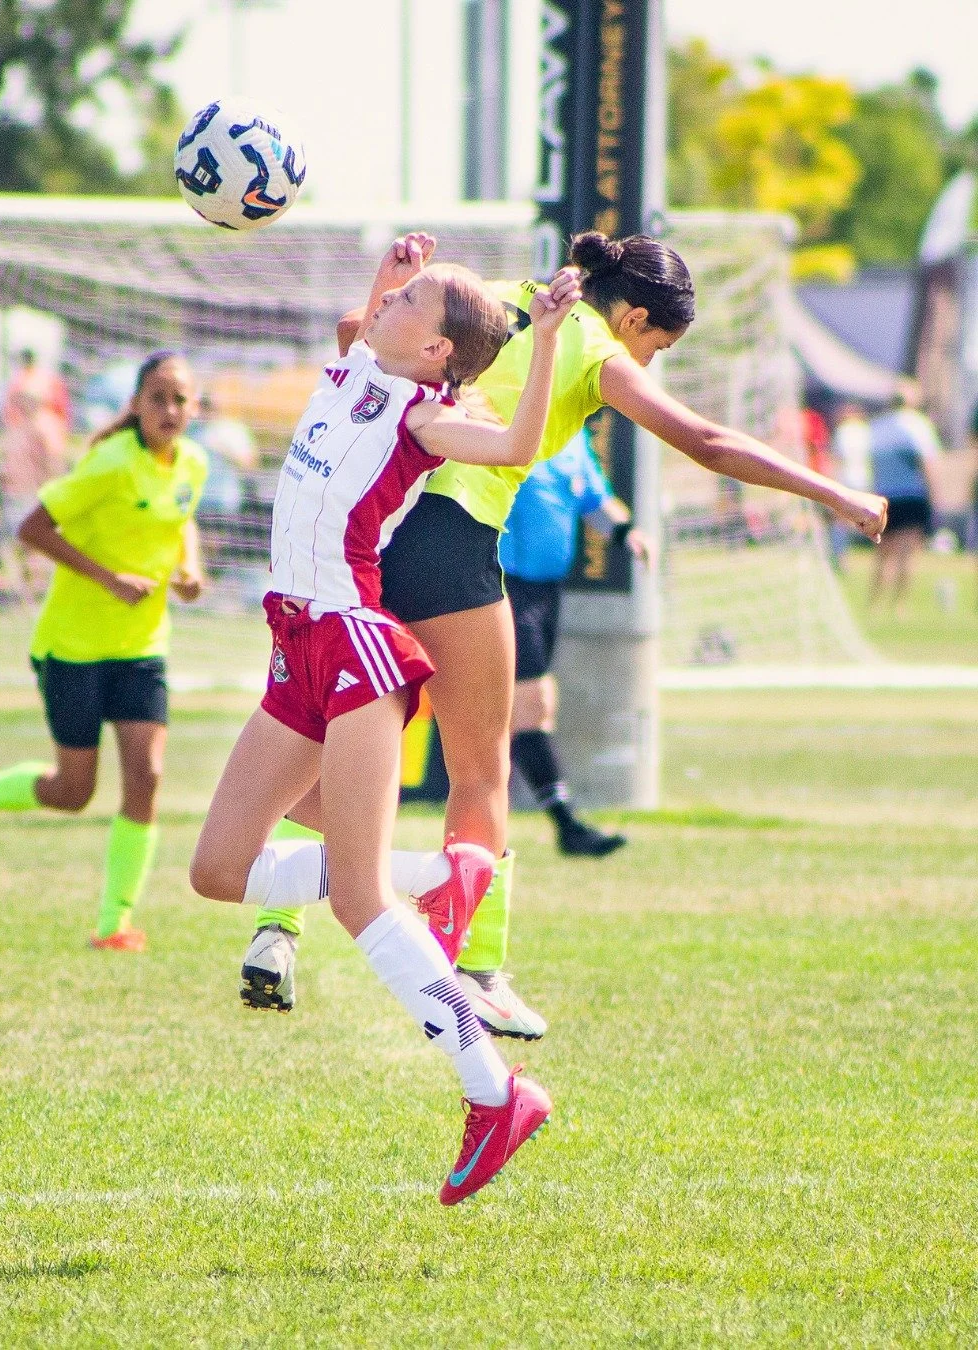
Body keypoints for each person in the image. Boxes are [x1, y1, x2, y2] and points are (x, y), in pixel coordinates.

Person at [243, 229, 888, 1042]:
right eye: (657, 348)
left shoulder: (501, 291)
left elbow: (355, 333)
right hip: (446, 541)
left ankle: (276, 929)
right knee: (482, 770)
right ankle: (477, 972)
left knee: (325, 740)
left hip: (363, 537)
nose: (647, 366)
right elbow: (708, 443)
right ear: (638, 318)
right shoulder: (588, 344)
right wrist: (833, 493)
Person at [189, 246, 583, 1205]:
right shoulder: (357, 371)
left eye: (408, 299)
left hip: (357, 646)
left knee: (361, 898)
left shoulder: (427, 420)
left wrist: (550, 336)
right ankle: (443, 876)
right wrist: (385, 274)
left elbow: (523, 445)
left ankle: (496, 1092)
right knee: (217, 870)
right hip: (297, 647)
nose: (387, 301)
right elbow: (367, 332)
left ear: (439, 347)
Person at [0, 352, 208, 952]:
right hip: (74, 649)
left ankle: (115, 925)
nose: (169, 409)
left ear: (194, 408)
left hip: (142, 648)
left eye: (180, 399)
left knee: (149, 775)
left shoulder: (194, 462)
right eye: (158, 397)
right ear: (136, 404)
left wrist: (189, 569)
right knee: (73, 791)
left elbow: (182, 518)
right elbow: (32, 529)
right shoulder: (109, 465)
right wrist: (109, 578)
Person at [502, 427, 650, 859]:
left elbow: (595, 502)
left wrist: (628, 534)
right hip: (504, 585)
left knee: (521, 713)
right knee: (533, 704)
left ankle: (542, 824)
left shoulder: (570, 437)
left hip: (548, 593)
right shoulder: (502, 425)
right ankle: (565, 823)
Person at [868, 383, 941, 611]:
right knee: (907, 553)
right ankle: (900, 605)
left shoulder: (877, 426)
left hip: (884, 495)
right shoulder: (917, 425)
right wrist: (934, 496)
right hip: (912, 494)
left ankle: (875, 603)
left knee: (883, 552)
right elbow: (927, 463)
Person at [829, 401, 873, 568]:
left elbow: (837, 459)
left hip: (846, 480)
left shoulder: (842, 431)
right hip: (865, 480)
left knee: (840, 521)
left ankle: (841, 557)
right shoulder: (866, 431)